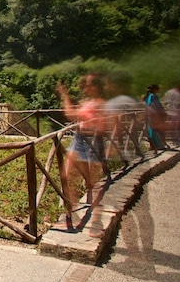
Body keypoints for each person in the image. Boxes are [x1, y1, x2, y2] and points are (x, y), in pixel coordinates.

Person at [57, 72, 107, 209]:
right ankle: (66, 203)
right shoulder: (91, 102)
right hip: (83, 138)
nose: (85, 87)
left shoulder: (97, 104)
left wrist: (65, 96)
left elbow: (71, 115)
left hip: (89, 139)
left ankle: (67, 205)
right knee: (73, 173)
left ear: (96, 87)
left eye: (88, 85)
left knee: (69, 173)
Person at [104, 70, 143, 161]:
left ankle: (127, 152)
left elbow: (138, 110)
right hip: (123, 123)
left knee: (128, 134)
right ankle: (125, 152)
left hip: (126, 122)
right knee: (124, 135)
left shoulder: (124, 99)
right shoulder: (117, 99)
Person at [144, 84, 168, 151]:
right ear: (155, 89)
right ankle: (158, 145)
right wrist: (163, 112)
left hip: (149, 115)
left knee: (151, 130)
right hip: (155, 115)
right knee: (157, 130)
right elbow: (157, 106)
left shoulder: (147, 96)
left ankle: (152, 145)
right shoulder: (154, 96)